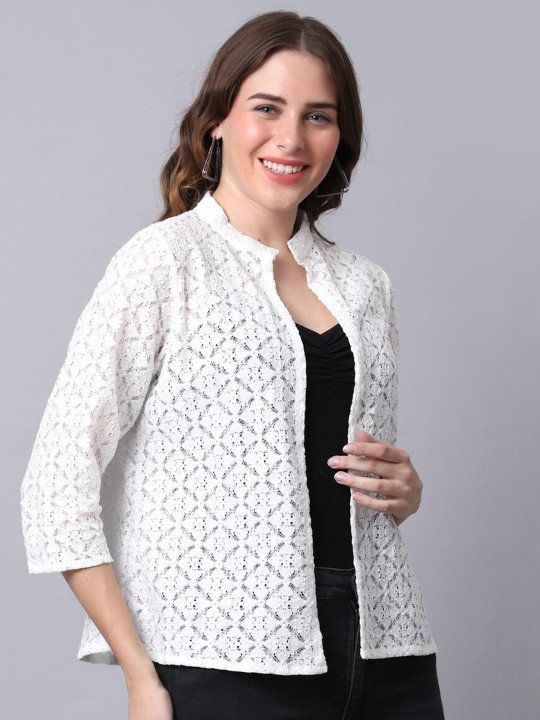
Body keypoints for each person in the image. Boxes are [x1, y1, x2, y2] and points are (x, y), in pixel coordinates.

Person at [20, 9, 445, 720]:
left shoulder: (366, 286)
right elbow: (55, 487)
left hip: (386, 649)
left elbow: (338, 477)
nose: (291, 138)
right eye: (267, 108)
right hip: (222, 658)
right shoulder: (162, 263)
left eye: (317, 116)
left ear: (340, 137)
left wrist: (406, 492)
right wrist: (140, 676)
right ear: (216, 120)